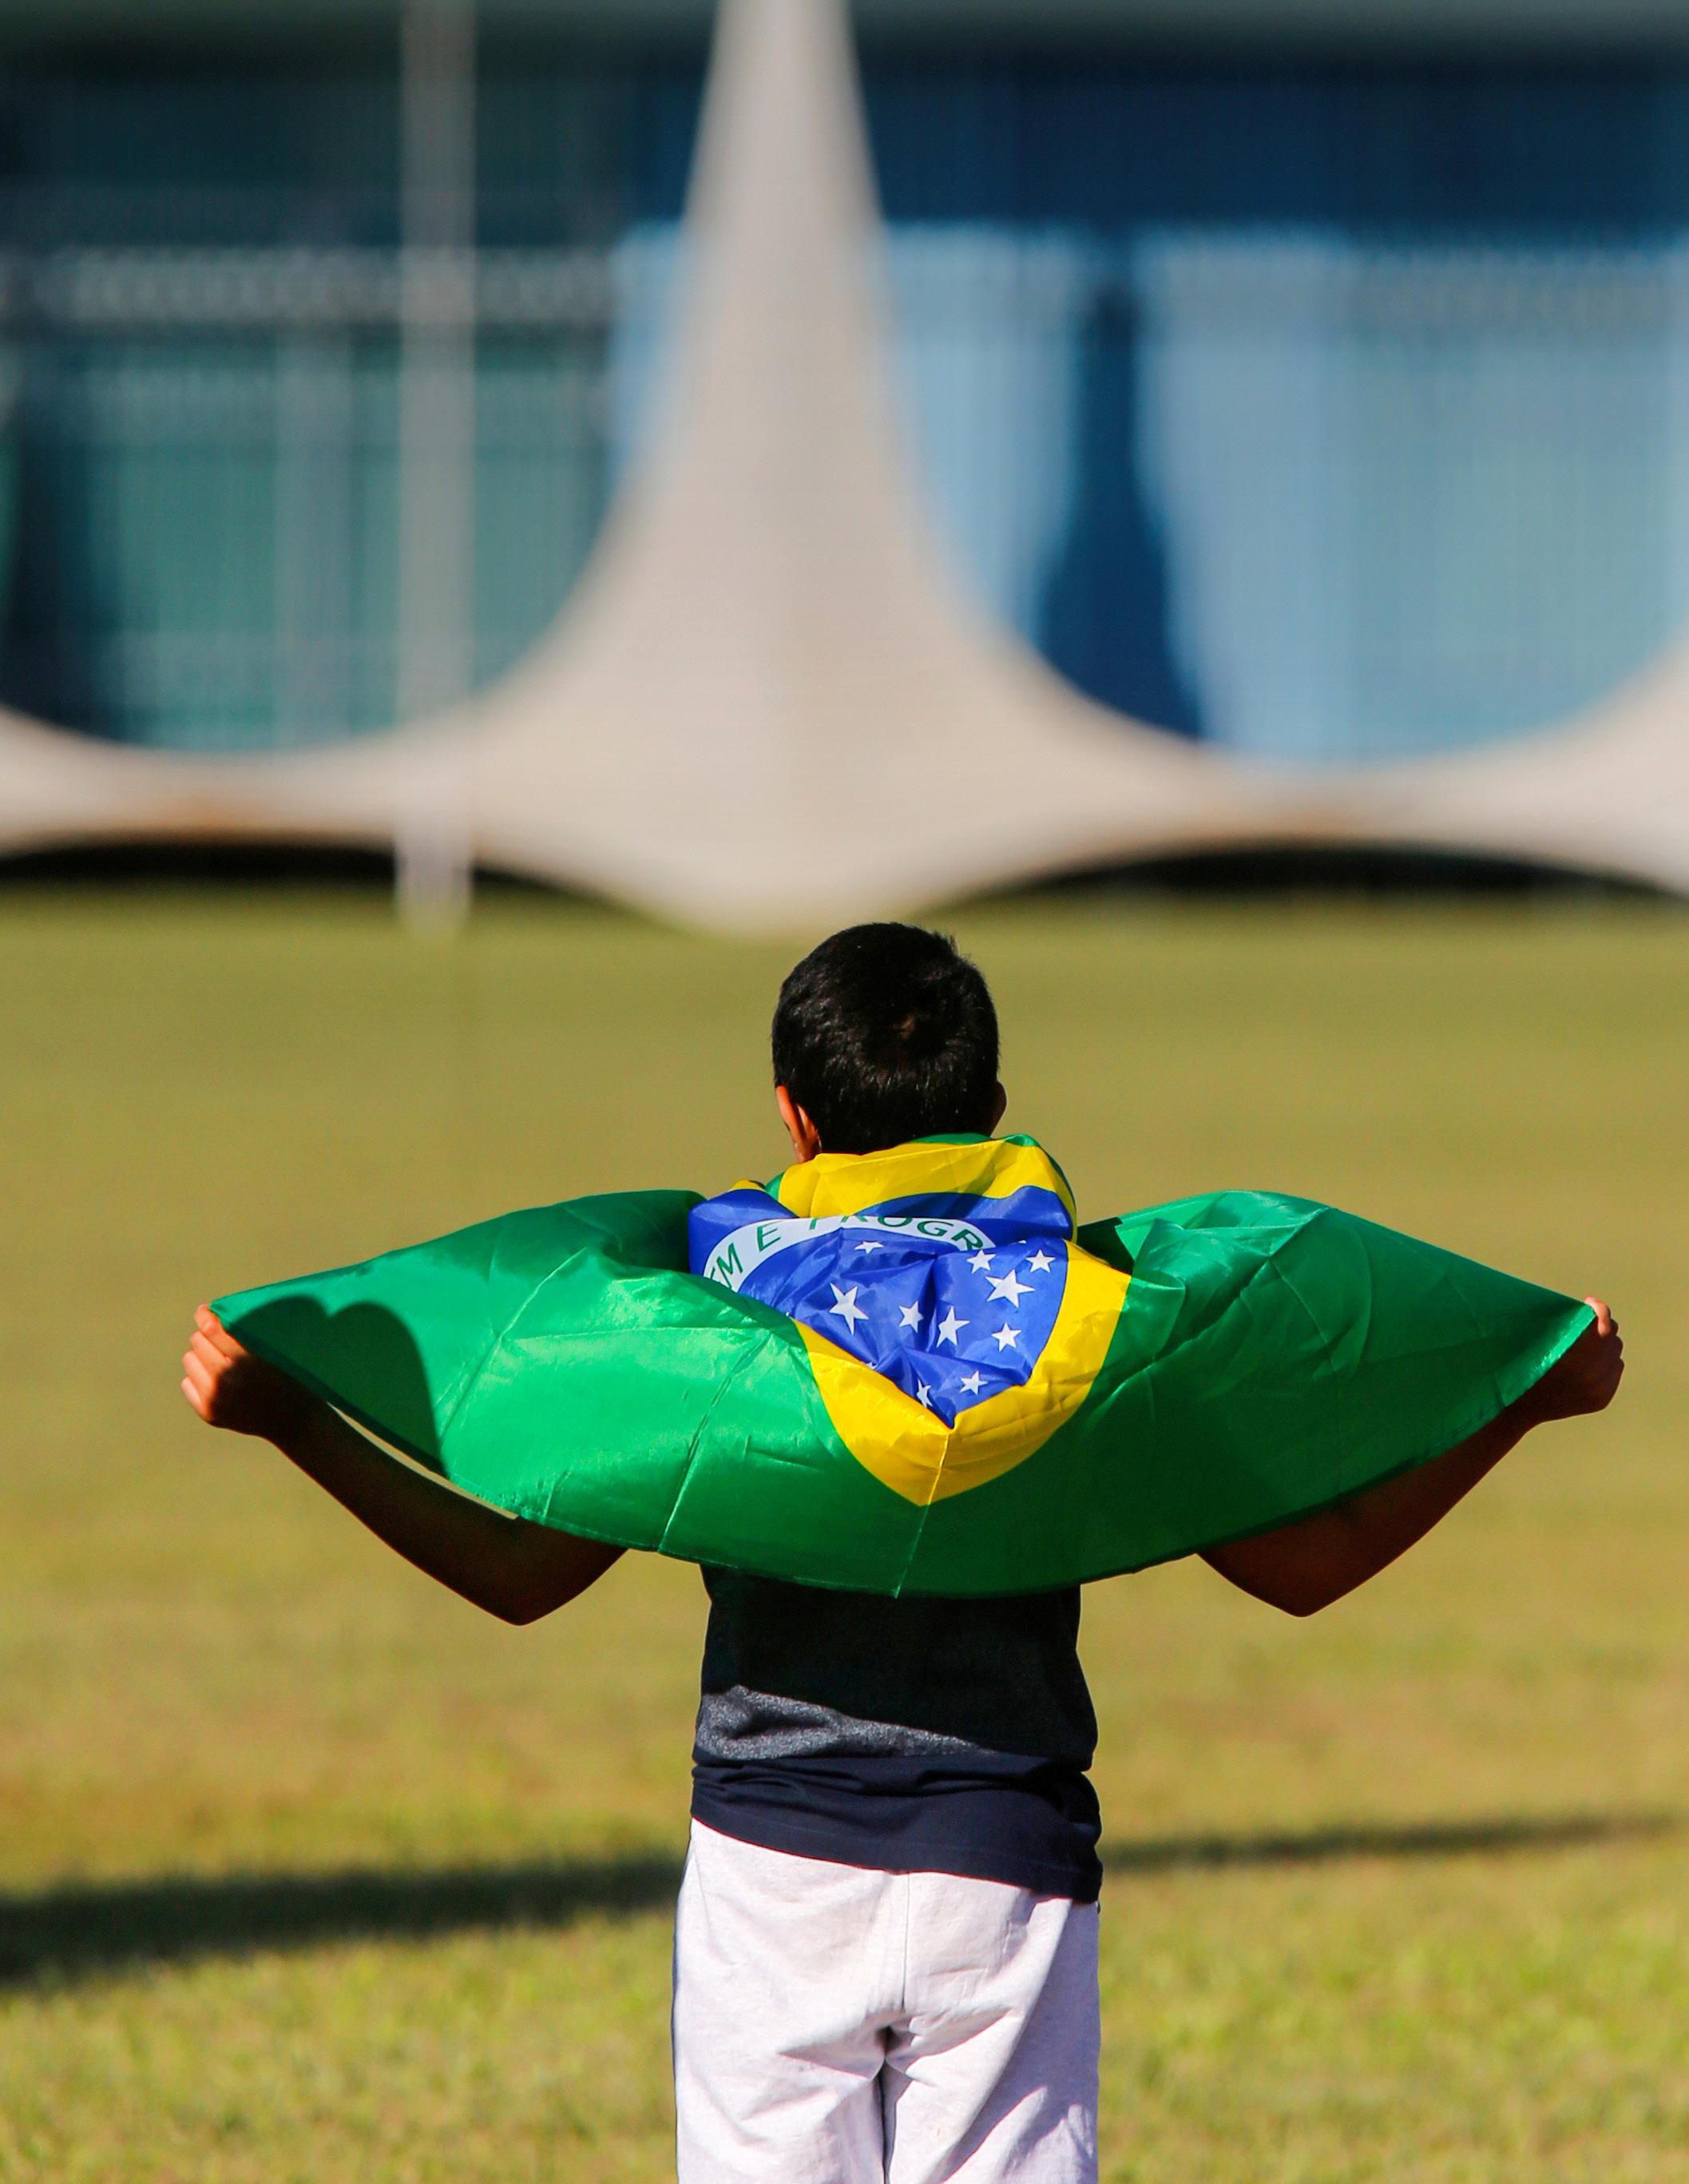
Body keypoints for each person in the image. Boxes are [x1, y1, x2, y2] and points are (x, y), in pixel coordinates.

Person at [181, 922, 1624, 2184]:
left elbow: (523, 1578)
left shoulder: (723, 1320)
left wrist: (294, 1420)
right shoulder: (1097, 1327)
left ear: (794, 1117)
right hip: (1008, 1876)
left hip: (774, 1875)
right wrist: (1523, 1401)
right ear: (993, 1112)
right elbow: (1304, 1569)